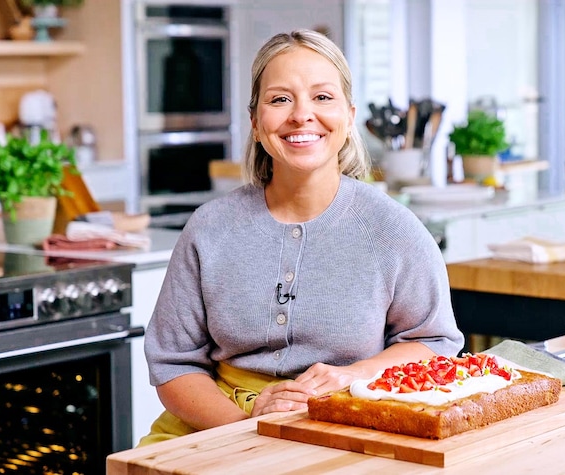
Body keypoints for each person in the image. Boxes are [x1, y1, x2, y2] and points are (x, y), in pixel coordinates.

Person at [138, 29, 464, 446]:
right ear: (256, 123)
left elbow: (434, 343)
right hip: (213, 428)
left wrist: (350, 375)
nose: (301, 115)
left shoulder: (394, 230)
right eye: (280, 99)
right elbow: (172, 363)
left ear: (348, 117)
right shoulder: (209, 228)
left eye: (322, 97)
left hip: (348, 425)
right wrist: (246, 426)